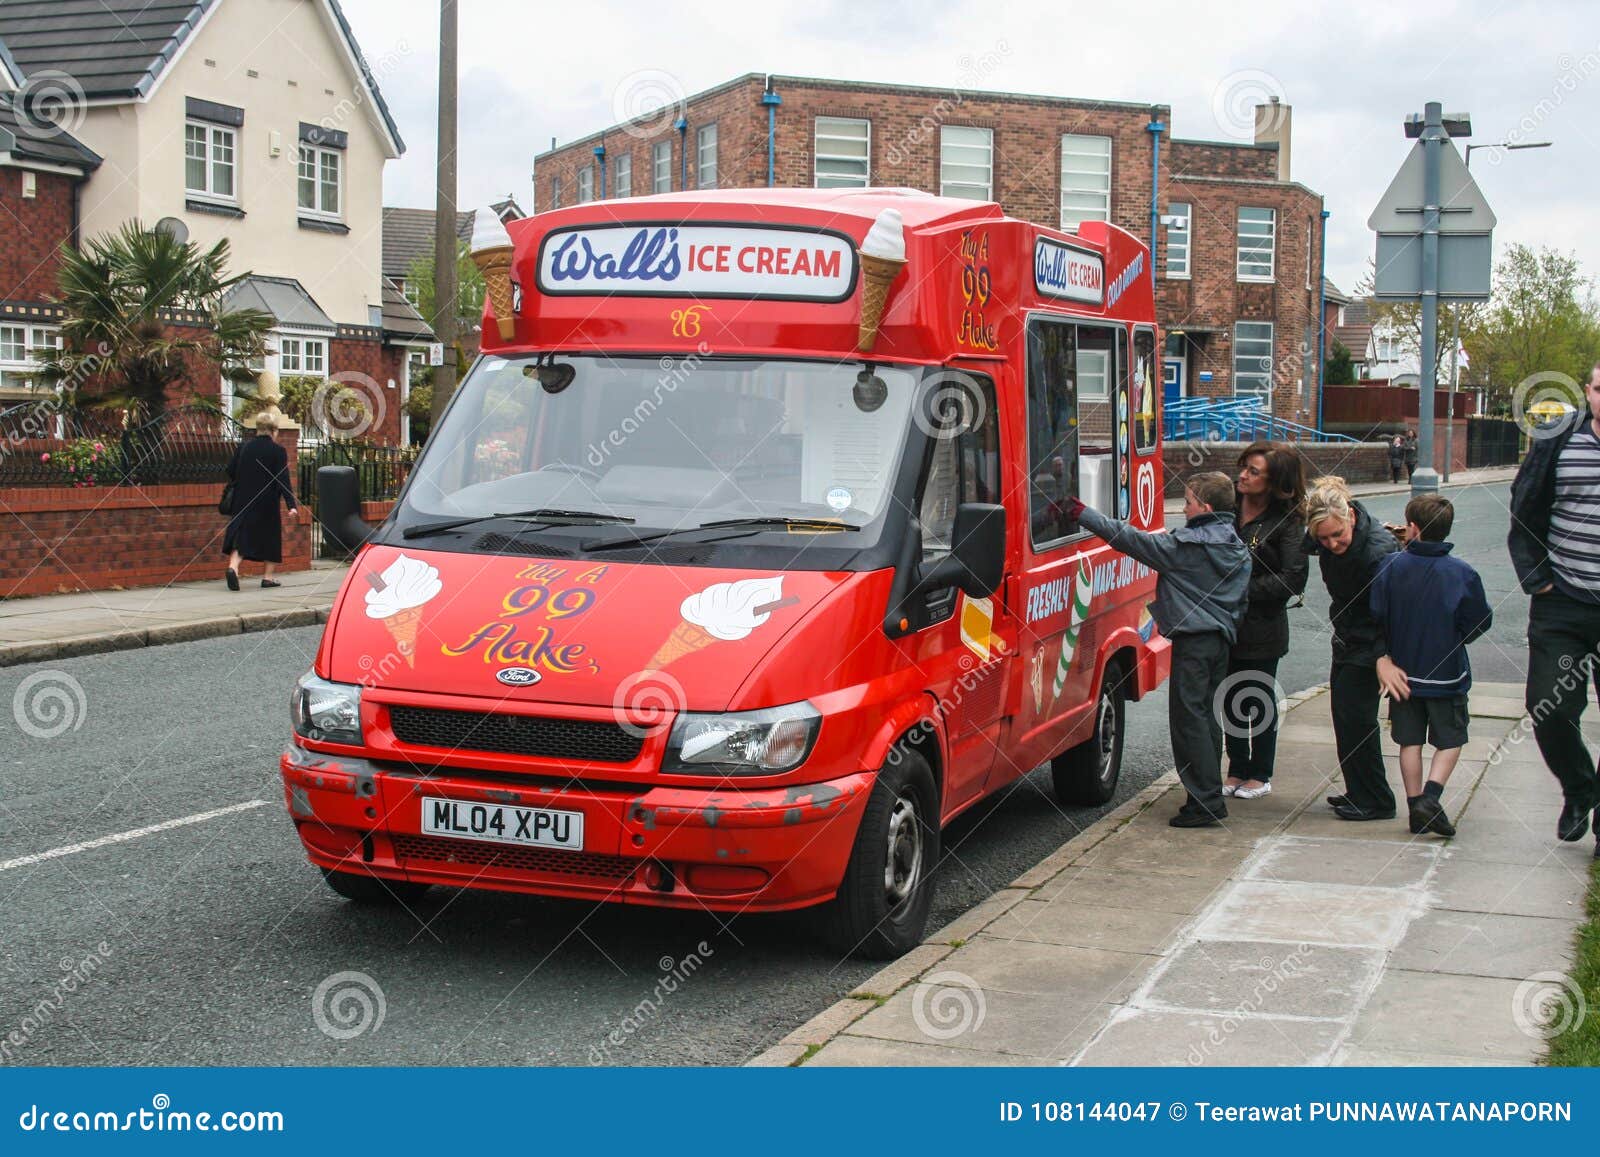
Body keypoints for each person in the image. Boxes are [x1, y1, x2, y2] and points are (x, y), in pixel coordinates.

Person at [1068, 472, 1250, 828]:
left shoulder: (1188, 549)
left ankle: (1204, 802)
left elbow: (1130, 540)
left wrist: (1083, 514)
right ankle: (1209, 793)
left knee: (1188, 722)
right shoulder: (1235, 545)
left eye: (1188, 502)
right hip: (1220, 641)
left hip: (1194, 642)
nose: (1183, 508)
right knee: (1208, 720)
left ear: (1205, 508)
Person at [1508, 360, 1600, 853]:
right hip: (1563, 601)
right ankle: (1581, 788)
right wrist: (1536, 578)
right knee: (1550, 709)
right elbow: (1524, 503)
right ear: (1588, 392)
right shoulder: (1560, 438)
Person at [1371, 495, 1493, 836]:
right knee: (1450, 739)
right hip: (1447, 674)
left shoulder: (1390, 567)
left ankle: (1414, 808)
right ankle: (1432, 796)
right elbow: (1480, 620)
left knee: (1409, 741)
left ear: (1412, 527)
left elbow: (1377, 612)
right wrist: (1456, 637)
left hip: (1403, 673)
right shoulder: (1462, 573)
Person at [1303, 475, 1399, 820]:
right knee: (1344, 718)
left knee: (1358, 721)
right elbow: (1307, 544)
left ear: (1352, 519)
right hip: (1348, 634)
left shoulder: (1377, 553)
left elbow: (1392, 612)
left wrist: (1383, 656)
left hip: (1371, 640)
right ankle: (1359, 790)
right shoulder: (1332, 534)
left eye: (1336, 535)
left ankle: (1377, 800)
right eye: (1323, 538)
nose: (1330, 544)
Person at [1223, 442, 1309, 801]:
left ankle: (1261, 772)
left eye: (1254, 471)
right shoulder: (1227, 506)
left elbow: (1293, 578)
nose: (1243, 474)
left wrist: (1241, 590)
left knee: (1256, 698)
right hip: (1224, 621)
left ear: (1275, 483)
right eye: (1244, 466)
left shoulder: (1287, 522)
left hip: (1262, 625)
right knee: (1227, 697)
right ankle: (1236, 768)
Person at [223, 411, 302, 590]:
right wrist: (291, 505)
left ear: (258, 429)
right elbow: (283, 478)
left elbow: (230, 470)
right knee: (270, 537)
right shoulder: (278, 451)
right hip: (267, 501)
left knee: (241, 534)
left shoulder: (243, 447)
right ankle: (267, 577)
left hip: (243, 498)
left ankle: (233, 568)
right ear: (274, 430)